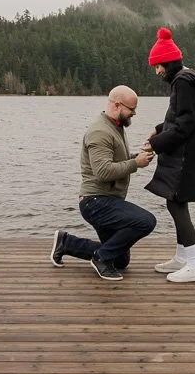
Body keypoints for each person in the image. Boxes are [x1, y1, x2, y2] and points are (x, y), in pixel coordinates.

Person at [50, 85, 157, 281]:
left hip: (107, 200)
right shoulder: (99, 131)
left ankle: (66, 243)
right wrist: (135, 163)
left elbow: (113, 159)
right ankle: (100, 258)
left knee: (120, 261)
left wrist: (136, 156)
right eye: (131, 109)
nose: (134, 113)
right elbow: (102, 171)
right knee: (146, 221)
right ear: (117, 105)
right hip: (96, 202)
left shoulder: (115, 126)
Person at [142, 27, 195, 283]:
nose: (157, 71)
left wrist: (155, 144)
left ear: (168, 62)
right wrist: (158, 129)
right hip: (187, 156)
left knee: (176, 203)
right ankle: (183, 257)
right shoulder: (185, 80)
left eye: (158, 65)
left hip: (184, 158)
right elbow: (181, 118)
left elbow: (184, 126)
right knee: (176, 202)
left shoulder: (182, 82)